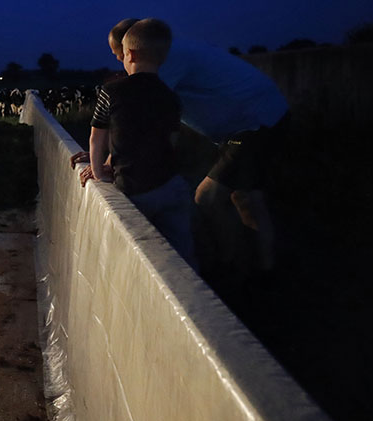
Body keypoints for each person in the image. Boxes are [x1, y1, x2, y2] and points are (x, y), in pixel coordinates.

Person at [108, 18, 288, 275]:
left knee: (207, 197)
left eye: (120, 54)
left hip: (254, 124)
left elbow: (136, 116)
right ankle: (264, 269)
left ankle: (228, 268)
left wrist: (108, 162)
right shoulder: (173, 51)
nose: (121, 62)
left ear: (134, 46)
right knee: (247, 198)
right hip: (254, 120)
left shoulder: (164, 62)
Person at [78, 18, 196, 269]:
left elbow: (96, 138)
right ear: (162, 58)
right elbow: (172, 141)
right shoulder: (171, 97)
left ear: (129, 53)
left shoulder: (111, 91)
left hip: (134, 187)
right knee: (181, 254)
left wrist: (100, 174)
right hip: (171, 185)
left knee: (134, 255)